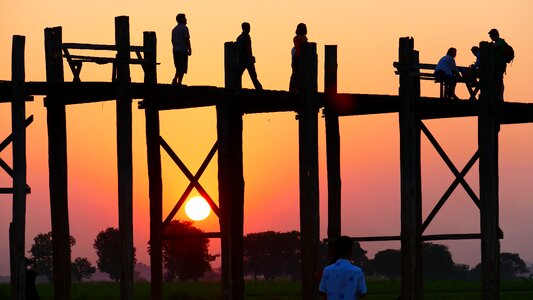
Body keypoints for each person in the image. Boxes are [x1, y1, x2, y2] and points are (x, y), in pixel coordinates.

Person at [236, 22, 263, 90]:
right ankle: (259, 89)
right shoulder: (246, 37)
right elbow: (248, 49)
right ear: (244, 28)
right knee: (253, 76)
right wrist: (251, 58)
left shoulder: (239, 37)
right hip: (247, 60)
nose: (249, 29)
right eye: (248, 27)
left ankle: (237, 88)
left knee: (238, 75)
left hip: (241, 60)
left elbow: (237, 49)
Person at [171, 13, 192, 86]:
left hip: (175, 50)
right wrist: (189, 49)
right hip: (183, 50)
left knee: (178, 67)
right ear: (181, 19)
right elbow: (187, 39)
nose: (186, 20)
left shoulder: (174, 29)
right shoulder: (184, 28)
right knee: (182, 67)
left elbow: (172, 40)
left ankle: (175, 80)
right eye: (185, 18)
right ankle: (178, 81)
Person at [488, 28, 507, 101]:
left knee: (498, 81)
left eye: (490, 35)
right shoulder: (499, 42)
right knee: (498, 81)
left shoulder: (500, 42)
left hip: (500, 65)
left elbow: (494, 47)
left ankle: (500, 98)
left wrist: (489, 46)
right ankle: (498, 97)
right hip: (498, 65)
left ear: (494, 35)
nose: (490, 37)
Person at [289, 23, 308, 92]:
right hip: (301, 57)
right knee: (301, 74)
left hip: (295, 57)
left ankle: (292, 88)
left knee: (294, 74)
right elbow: (304, 48)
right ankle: (300, 89)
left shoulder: (295, 38)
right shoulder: (304, 38)